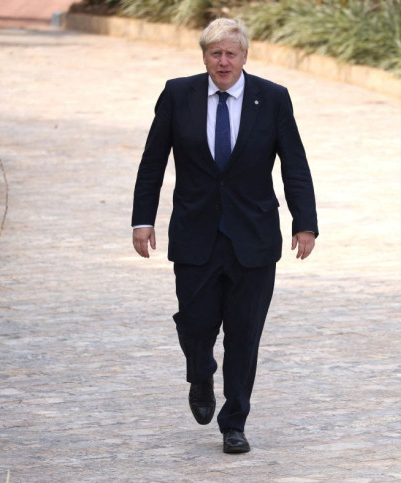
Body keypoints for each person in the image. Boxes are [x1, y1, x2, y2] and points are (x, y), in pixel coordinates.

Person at [131, 17, 318, 454]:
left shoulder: (271, 99)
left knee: (244, 335)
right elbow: (152, 163)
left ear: (245, 56)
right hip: (196, 234)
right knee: (195, 326)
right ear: (204, 57)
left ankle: (234, 422)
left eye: (231, 53)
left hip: (253, 239)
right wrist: (143, 220)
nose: (223, 61)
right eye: (215, 53)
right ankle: (200, 373)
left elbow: (294, 164)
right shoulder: (179, 95)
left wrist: (304, 222)